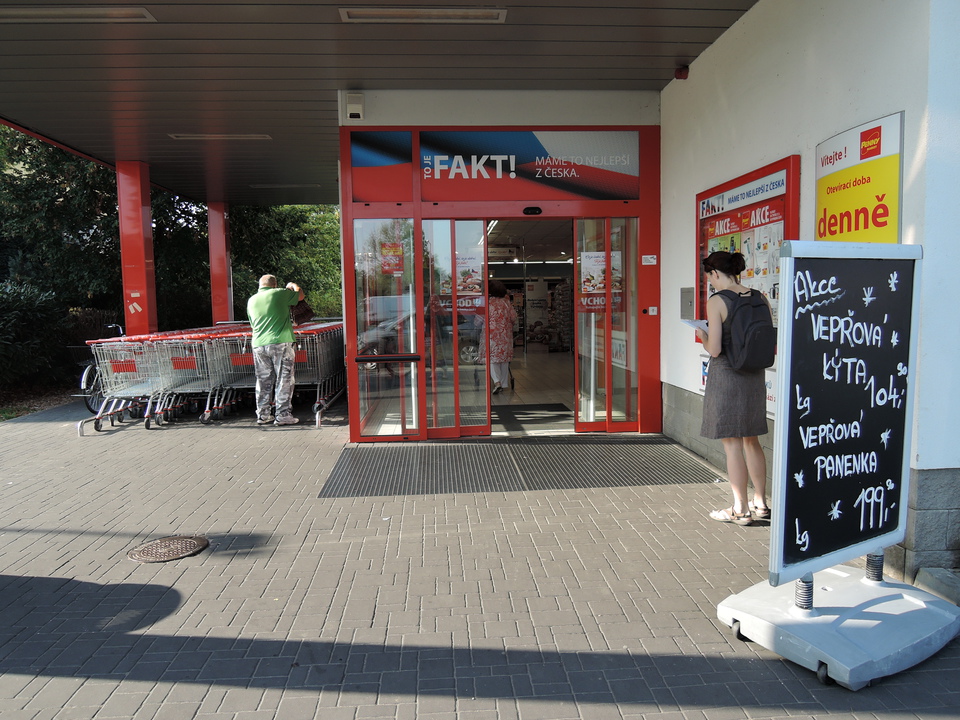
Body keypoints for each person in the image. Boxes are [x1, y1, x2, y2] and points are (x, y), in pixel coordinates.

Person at [695, 251, 770, 526]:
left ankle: (740, 509)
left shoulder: (717, 300)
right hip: (754, 375)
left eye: (709, 278)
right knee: (751, 440)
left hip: (728, 375)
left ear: (715, 273)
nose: (710, 282)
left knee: (732, 444)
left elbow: (715, 349)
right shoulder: (760, 297)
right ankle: (760, 502)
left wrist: (703, 335)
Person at [246, 274, 304, 426]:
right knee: (284, 379)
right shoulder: (279, 293)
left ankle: (263, 414)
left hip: (258, 343)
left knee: (263, 380)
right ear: (275, 284)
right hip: (280, 342)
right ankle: (283, 415)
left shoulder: (251, 300)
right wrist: (292, 284)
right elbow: (300, 295)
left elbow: (252, 323)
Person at [486, 279, 517, 394]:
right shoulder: (506, 303)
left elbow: (479, 320)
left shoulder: (488, 303)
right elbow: (514, 318)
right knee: (504, 360)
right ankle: (503, 384)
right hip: (505, 335)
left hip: (492, 335)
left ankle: (497, 382)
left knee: (492, 359)